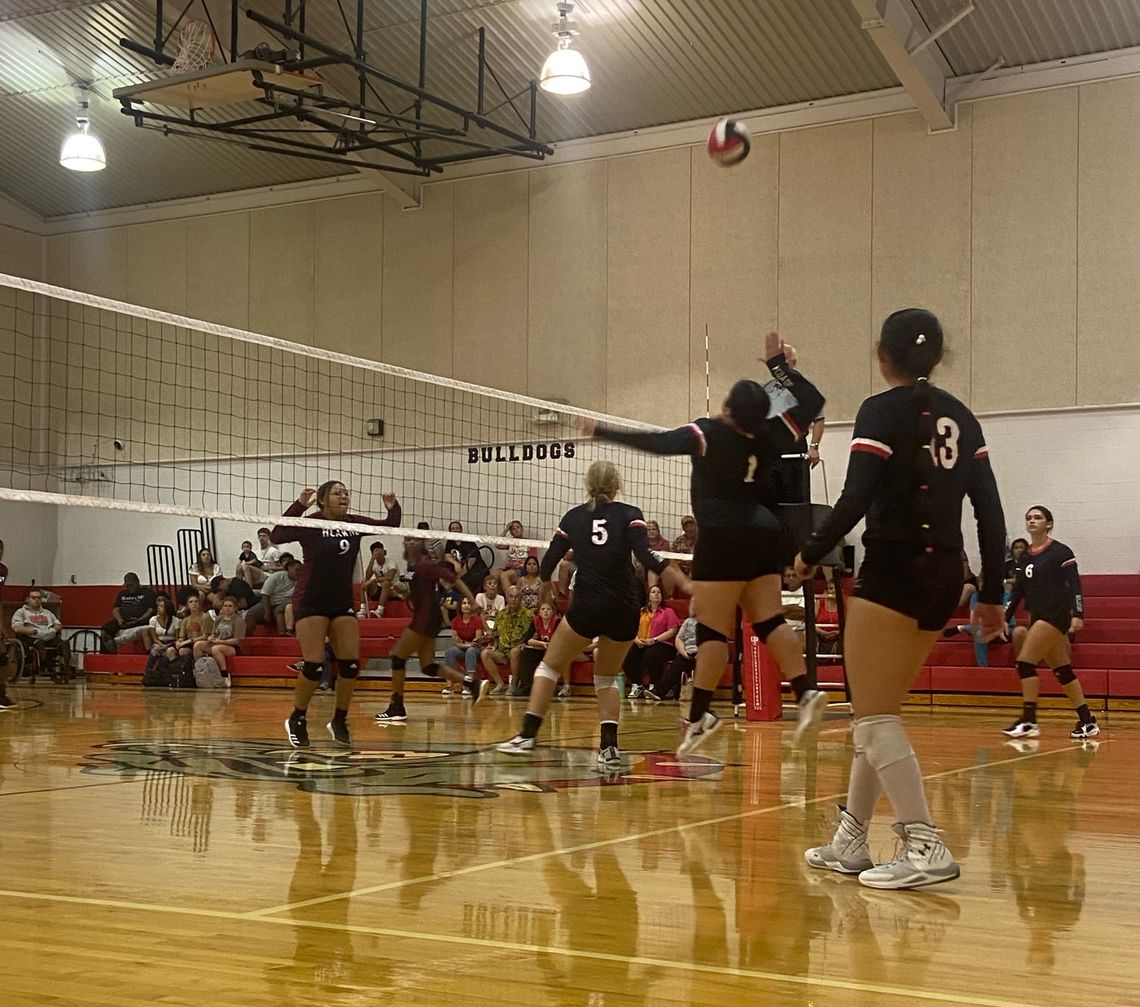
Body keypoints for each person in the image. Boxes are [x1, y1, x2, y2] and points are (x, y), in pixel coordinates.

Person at [793, 307, 1006, 890]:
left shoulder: (878, 410)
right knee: (875, 711)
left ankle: (925, 843)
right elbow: (989, 511)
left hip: (893, 571)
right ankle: (852, 839)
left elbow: (856, 496)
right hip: (945, 577)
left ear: (881, 354)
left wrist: (810, 551)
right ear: (935, 357)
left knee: (876, 716)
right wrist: (989, 592)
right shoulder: (963, 418)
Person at [584, 331, 827, 755]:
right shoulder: (772, 434)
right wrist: (780, 368)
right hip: (765, 532)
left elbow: (659, 443)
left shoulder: (708, 433)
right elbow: (814, 403)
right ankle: (806, 692)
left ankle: (698, 717)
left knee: (712, 630)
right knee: (769, 621)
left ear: (730, 409)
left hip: (723, 537)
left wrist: (603, 431)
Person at [498, 460, 685, 766]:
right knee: (607, 677)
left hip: (588, 603)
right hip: (625, 606)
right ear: (616, 485)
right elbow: (643, 554)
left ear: (588, 485)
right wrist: (675, 575)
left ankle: (527, 735)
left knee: (549, 667)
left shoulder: (573, 518)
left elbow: (550, 562)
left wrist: (546, 586)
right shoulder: (630, 514)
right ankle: (609, 748)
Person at [272, 481, 402, 748]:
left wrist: (393, 508)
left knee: (350, 665)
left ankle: (340, 719)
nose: (343, 496)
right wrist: (299, 505)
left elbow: (390, 525)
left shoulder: (354, 523)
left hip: (341, 600)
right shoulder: (312, 523)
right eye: (337, 493)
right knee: (314, 664)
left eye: (346, 493)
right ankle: (297, 718)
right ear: (322, 499)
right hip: (311, 600)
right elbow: (277, 535)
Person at [1003, 506, 1098, 741]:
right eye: (1028, 518)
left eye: (1038, 517)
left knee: (1025, 663)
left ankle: (1029, 720)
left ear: (1049, 523)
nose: (1032, 521)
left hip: (1055, 615)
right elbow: (1017, 593)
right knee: (1062, 671)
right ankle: (1087, 721)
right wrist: (1005, 618)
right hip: (1036, 615)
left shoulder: (1060, 552)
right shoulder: (1024, 557)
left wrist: (1078, 614)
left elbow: (1075, 586)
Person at [375, 539, 482, 723]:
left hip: (425, 618)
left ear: (422, 543)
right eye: (406, 539)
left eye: (413, 540)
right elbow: (417, 593)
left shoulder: (425, 564)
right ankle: (470, 682)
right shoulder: (414, 565)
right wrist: (402, 592)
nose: (408, 543)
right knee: (427, 666)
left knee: (398, 658)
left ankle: (397, 706)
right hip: (428, 617)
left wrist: (473, 602)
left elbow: (454, 579)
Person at [624, 585, 680, 699]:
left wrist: (654, 640)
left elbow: (673, 631)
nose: (656, 594)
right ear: (648, 596)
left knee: (652, 654)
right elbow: (631, 628)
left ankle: (654, 685)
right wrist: (636, 640)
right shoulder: (641, 612)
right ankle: (637, 685)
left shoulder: (668, 611)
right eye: (653, 592)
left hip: (663, 643)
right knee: (627, 654)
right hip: (642, 642)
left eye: (658, 592)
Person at [482, 585, 533, 696]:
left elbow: (530, 635)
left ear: (521, 598)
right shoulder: (501, 614)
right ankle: (500, 684)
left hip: (519, 649)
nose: (513, 599)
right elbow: (495, 632)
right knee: (485, 653)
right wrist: (494, 644)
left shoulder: (528, 615)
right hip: (502, 649)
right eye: (511, 596)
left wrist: (523, 644)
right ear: (507, 598)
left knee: (515, 652)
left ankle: (514, 685)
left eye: (516, 597)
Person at [11, 588, 71, 678]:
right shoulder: (21, 612)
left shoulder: (47, 612)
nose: (37, 600)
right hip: (32, 636)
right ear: (27, 599)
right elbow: (17, 627)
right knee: (39, 643)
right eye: (33, 597)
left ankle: (66, 667)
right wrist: (32, 631)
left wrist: (53, 630)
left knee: (64, 644)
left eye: (39, 598)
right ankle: (42, 667)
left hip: (48, 635)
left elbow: (58, 624)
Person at [195, 595, 245, 685]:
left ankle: (224, 674)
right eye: (225, 606)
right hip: (218, 642)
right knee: (198, 645)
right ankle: (200, 670)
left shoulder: (239, 621)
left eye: (230, 606)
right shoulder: (219, 619)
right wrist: (211, 637)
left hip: (232, 647)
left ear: (235, 608)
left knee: (216, 648)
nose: (227, 608)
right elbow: (214, 633)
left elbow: (238, 640)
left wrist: (221, 642)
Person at [100, 573, 157, 653]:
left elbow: (150, 610)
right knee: (105, 629)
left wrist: (139, 620)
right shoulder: (122, 594)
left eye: (131, 585)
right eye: (127, 585)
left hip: (140, 620)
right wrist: (119, 619)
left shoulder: (148, 593)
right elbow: (116, 609)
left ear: (137, 582)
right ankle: (107, 655)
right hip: (123, 620)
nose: (129, 588)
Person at [515, 601, 562, 696]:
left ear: (553, 612)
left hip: (554, 648)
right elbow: (527, 639)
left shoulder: (557, 621)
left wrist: (546, 645)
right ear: (539, 612)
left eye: (548, 609)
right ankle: (525, 686)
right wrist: (541, 643)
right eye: (543, 609)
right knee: (525, 653)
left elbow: (560, 639)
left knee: (550, 654)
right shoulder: (536, 621)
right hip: (541, 647)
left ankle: (551, 687)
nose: (545, 612)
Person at [245, 557, 298, 634]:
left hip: (287, 602)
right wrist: (267, 613)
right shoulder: (276, 577)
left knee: (279, 611)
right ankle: (245, 637)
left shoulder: (302, 580)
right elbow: (265, 594)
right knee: (251, 613)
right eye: (296, 570)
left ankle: (282, 635)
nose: (298, 573)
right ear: (289, 568)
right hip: (269, 601)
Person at [443, 596, 487, 689]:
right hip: (464, 647)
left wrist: (463, 643)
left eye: (469, 603)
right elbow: (455, 641)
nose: (467, 606)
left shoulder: (477, 620)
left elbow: (477, 641)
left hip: (476, 649)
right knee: (450, 652)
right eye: (464, 603)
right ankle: (449, 683)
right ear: (460, 606)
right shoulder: (456, 620)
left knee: (470, 651)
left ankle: (469, 683)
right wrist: (466, 644)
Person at [170, 591, 213, 661]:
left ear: (199, 604)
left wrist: (189, 641)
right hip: (189, 644)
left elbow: (205, 636)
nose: (194, 604)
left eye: (196, 601)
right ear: (187, 605)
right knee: (176, 650)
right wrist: (179, 641)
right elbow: (182, 637)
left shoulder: (205, 617)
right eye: (191, 602)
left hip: (201, 643)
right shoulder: (185, 620)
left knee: (193, 647)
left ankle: (197, 668)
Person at [361, 541, 397, 616]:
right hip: (379, 590)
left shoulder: (391, 562)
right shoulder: (374, 563)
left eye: (380, 550)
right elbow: (367, 576)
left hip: (392, 589)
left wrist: (374, 580)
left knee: (386, 582)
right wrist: (372, 559)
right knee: (364, 582)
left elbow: (390, 577)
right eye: (376, 551)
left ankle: (380, 610)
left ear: (384, 552)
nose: (379, 553)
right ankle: (363, 610)